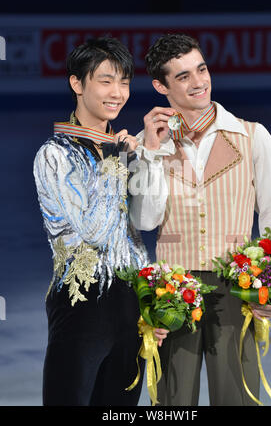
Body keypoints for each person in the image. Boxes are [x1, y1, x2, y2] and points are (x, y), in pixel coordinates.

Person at [129, 33, 271, 406]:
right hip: (174, 291)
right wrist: (152, 155)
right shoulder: (150, 142)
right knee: (175, 401)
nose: (199, 82)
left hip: (236, 287)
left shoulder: (253, 136)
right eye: (184, 76)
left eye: (201, 69)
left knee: (236, 398)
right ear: (161, 86)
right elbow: (144, 219)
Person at [33, 36, 167, 406]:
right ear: (77, 83)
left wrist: (149, 157)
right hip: (80, 305)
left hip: (129, 304)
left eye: (124, 81)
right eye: (106, 80)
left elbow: (145, 223)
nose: (118, 92)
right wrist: (115, 164)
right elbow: (91, 231)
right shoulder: (53, 155)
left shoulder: (127, 148)